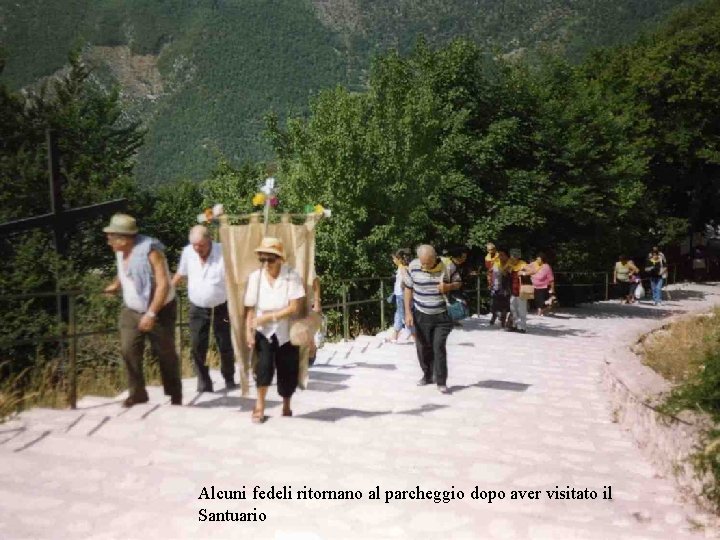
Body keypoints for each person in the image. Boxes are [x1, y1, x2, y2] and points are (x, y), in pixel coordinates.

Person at [102, 213, 182, 407]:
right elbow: (126, 270)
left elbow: (163, 284)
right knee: (128, 350)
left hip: (159, 308)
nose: (108, 240)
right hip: (131, 310)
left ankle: (174, 393)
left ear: (123, 238)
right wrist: (116, 284)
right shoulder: (120, 251)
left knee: (165, 352)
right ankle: (137, 394)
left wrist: (151, 314)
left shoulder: (151, 252)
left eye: (111, 236)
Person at [244, 237, 305, 423]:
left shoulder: (291, 276)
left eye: (270, 259)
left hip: (285, 331)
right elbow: (250, 307)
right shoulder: (256, 278)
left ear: (280, 259)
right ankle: (260, 405)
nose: (266, 263)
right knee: (263, 367)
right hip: (263, 331)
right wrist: (248, 331)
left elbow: (294, 307)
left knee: (287, 370)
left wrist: (269, 317)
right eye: (262, 259)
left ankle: (286, 404)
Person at [171, 225, 236, 393]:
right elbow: (180, 274)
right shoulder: (188, 253)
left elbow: (234, 276)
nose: (198, 249)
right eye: (195, 245)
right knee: (197, 345)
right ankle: (204, 381)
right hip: (197, 307)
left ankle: (229, 377)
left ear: (210, 241)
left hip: (221, 306)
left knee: (225, 344)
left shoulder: (223, 251)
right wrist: (167, 290)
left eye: (201, 245)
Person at [403, 244, 462, 394]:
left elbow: (459, 283)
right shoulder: (414, 266)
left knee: (438, 346)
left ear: (435, 257)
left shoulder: (447, 266)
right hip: (421, 313)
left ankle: (441, 381)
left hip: (442, 314)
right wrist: (408, 313)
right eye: (422, 262)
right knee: (423, 347)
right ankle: (427, 375)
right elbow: (408, 288)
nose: (424, 266)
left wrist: (448, 287)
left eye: (427, 263)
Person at [388, 248, 413, 343]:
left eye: (395, 259)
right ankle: (396, 335)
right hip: (400, 294)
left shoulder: (403, 268)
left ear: (400, 259)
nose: (393, 261)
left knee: (402, 314)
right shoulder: (404, 267)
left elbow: (406, 282)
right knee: (400, 313)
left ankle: (412, 334)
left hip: (401, 294)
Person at [526, 252, 555, 316]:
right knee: (537, 301)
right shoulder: (534, 265)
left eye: (539, 259)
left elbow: (551, 278)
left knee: (542, 302)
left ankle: (541, 311)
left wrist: (552, 289)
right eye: (537, 259)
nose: (537, 260)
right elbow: (526, 267)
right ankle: (540, 311)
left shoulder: (546, 267)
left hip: (543, 286)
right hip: (535, 286)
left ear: (542, 259)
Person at [506, 249, 528, 333]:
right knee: (513, 309)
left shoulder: (523, 264)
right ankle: (514, 325)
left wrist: (523, 273)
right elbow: (505, 273)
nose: (512, 258)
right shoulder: (510, 264)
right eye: (511, 256)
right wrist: (509, 267)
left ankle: (522, 327)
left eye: (514, 256)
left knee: (522, 310)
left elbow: (530, 273)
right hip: (512, 290)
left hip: (521, 291)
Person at [488, 247, 511, 327]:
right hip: (495, 287)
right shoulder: (496, 263)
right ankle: (493, 317)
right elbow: (491, 273)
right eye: (499, 255)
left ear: (507, 256)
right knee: (494, 305)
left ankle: (503, 323)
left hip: (506, 288)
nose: (500, 257)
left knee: (504, 306)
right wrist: (490, 283)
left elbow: (509, 276)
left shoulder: (510, 264)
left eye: (502, 255)